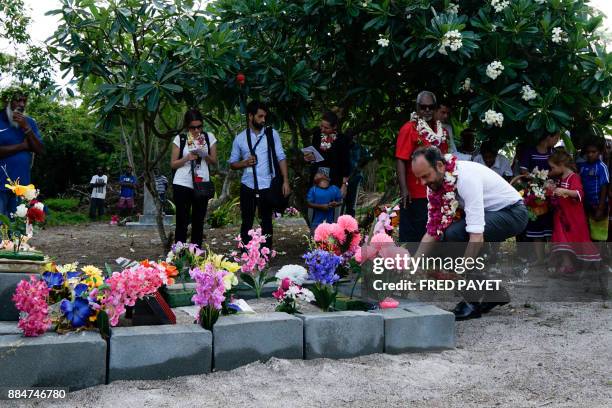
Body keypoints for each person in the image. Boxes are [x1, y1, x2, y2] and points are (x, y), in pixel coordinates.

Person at [412, 146, 528, 320]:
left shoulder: (466, 178)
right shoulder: (434, 184)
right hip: (492, 215)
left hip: (513, 213)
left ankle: (471, 301)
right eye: (419, 178)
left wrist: (460, 272)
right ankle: (494, 293)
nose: (422, 183)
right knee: (447, 235)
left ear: (440, 166)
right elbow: (432, 230)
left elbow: (476, 235)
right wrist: (413, 266)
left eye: (425, 176)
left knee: (454, 235)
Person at [229, 101, 290, 248]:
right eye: (260, 116)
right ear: (250, 116)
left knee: (267, 222)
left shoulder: (271, 134)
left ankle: (266, 253)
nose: (263, 120)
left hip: (268, 184)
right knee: (247, 221)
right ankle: (245, 253)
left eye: (265, 116)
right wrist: (244, 163)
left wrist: (285, 181)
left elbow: (281, 157)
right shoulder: (240, 138)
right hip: (248, 184)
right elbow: (232, 163)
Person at [395, 91, 449, 248]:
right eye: (423, 107)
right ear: (417, 107)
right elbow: (401, 159)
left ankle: (427, 269)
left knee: (433, 234)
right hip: (415, 193)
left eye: (430, 107)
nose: (427, 111)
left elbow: (444, 161)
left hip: (436, 193)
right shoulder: (409, 128)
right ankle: (408, 269)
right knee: (412, 237)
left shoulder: (442, 132)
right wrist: (404, 189)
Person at [548, 150, 601, 277]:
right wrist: (551, 189)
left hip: (573, 217)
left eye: (553, 167)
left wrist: (564, 191)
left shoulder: (574, 177)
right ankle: (568, 264)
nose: (552, 170)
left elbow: (579, 194)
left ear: (561, 165)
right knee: (561, 237)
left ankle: (590, 263)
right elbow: (556, 193)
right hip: (561, 216)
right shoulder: (560, 178)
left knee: (578, 239)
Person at [170, 108, 218, 248]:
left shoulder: (208, 137)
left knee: (198, 221)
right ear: (187, 126)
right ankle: (179, 255)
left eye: (199, 127)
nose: (196, 130)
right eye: (193, 127)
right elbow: (173, 164)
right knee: (181, 221)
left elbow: (214, 161)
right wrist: (187, 158)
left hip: (201, 183)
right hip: (182, 183)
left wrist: (204, 154)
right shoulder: (181, 138)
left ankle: (195, 256)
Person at [518, 131, 561, 265]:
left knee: (552, 227)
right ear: (548, 137)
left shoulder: (553, 153)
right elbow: (523, 172)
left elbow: (559, 170)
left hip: (551, 195)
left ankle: (553, 258)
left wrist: (545, 179)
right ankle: (540, 259)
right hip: (535, 195)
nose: (557, 140)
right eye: (556, 137)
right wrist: (539, 178)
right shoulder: (530, 151)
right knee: (536, 226)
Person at [0, 86, 44, 217]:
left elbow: (40, 149)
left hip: (22, 187)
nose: (22, 105)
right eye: (18, 100)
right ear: (6, 100)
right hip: (0, 185)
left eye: (24, 101)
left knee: (17, 230)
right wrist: (23, 146)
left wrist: (27, 128)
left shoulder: (29, 122)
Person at [303, 111, 351, 221]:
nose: (323, 130)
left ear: (335, 127)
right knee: (314, 214)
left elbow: (346, 165)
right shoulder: (317, 135)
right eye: (321, 126)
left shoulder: (342, 140)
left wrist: (344, 185)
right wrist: (308, 158)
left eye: (326, 128)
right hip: (317, 179)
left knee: (333, 216)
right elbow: (314, 157)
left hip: (334, 181)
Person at [578, 139, 609, 242]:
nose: (590, 154)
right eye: (588, 152)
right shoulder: (582, 166)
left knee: (598, 233)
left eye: (593, 152)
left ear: (599, 152)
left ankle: (600, 255)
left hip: (597, 204)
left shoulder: (601, 167)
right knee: (586, 230)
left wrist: (601, 208)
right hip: (584, 203)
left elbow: (604, 187)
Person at [342, 140, 370, 217]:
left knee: (351, 204)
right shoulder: (342, 146)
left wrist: (358, 167)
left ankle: (350, 225)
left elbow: (367, 157)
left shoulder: (359, 147)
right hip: (342, 178)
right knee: (340, 203)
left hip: (355, 178)